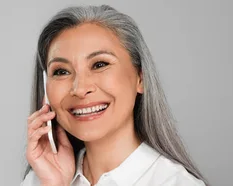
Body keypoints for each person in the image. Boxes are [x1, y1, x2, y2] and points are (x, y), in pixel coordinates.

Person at [22, 5, 208, 186]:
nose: (79, 89)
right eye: (62, 71)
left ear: (140, 78)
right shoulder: (42, 179)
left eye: (100, 64)